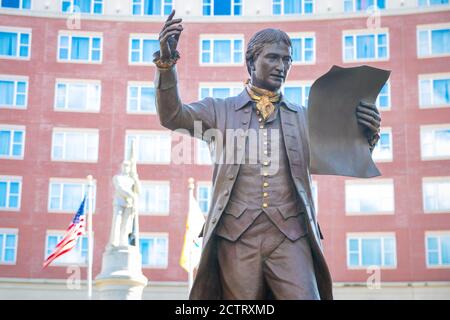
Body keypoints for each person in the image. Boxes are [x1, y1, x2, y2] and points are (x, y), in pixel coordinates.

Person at [153, 10, 381, 300]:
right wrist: (166, 64)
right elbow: (172, 115)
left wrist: (369, 133)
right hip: (236, 238)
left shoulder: (305, 118)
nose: (281, 66)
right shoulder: (219, 110)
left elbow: (343, 154)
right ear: (251, 61)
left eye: (287, 59)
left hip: (291, 237)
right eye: (273, 57)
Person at [109, 160, 141, 247]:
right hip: (119, 202)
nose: (125, 168)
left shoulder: (131, 180)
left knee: (127, 224)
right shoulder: (117, 177)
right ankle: (114, 241)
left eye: (127, 166)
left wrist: (136, 179)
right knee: (117, 222)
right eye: (124, 166)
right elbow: (120, 188)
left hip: (129, 204)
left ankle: (123, 242)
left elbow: (138, 191)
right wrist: (132, 195)